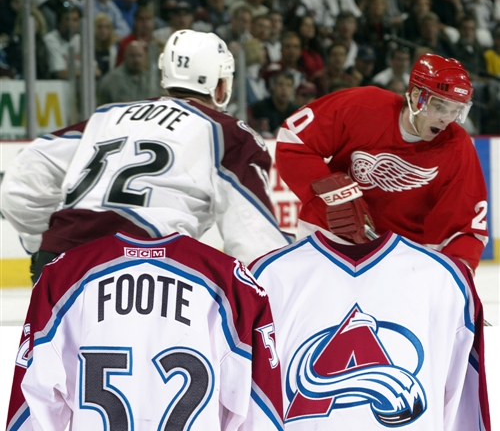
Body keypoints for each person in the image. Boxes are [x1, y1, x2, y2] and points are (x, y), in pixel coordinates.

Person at [1, 30, 291, 282]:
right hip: (146, 268)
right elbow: (255, 238)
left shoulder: (107, 116)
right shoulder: (227, 132)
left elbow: (20, 183)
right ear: (221, 86)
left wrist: (44, 240)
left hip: (61, 259)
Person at [275, 53, 489, 271]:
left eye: (456, 110)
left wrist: (458, 273)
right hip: (328, 240)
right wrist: (331, 199)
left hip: (399, 261)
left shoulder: (457, 146)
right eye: (440, 107)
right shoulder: (363, 106)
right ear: (417, 96)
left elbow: (466, 225)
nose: (447, 119)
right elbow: (294, 140)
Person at [96, 40, 156, 106]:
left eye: (139, 56)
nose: (136, 60)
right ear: (125, 57)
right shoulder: (113, 79)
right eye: (132, 56)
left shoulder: (148, 78)